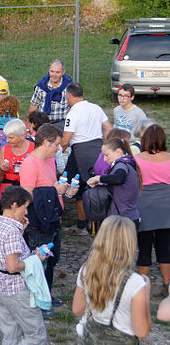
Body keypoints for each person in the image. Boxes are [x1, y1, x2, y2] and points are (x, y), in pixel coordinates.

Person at [73, 216, 151, 342]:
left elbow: (77, 309)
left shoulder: (87, 269)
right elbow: (142, 331)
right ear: (130, 243)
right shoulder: (136, 283)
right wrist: (146, 292)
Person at [19, 123, 70, 318]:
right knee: (39, 263)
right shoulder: (30, 164)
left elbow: (50, 186)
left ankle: (46, 294)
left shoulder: (49, 161)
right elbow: (27, 196)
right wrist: (53, 191)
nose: (59, 148)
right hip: (38, 222)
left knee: (51, 260)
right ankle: (37, 303)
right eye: (57, 144)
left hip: (52, 218)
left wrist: (63, 190)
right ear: (46, 142)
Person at [0, 186, 48, 344]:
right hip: (17, 290)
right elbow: (13, 266)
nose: (26, 212)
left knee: (10, 334)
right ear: (14, 205)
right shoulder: (12, 231)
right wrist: (36, 259)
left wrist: (21, 231)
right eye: (25, 207)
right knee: (36, 335)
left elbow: (5, 249)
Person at [62, 82, 113, 235]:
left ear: (69, 96)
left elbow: (66, 140)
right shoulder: (96, 108)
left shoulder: (73, 113)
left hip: (80, 152)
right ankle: (97, 222)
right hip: (98, 151)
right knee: (97, 185)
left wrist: (59, 152)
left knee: (78, 188)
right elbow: (109, 128)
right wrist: (103, 144)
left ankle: (81, 225)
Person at [133, 124, 170, 297]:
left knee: (144, 247)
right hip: (166, 208)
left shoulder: (137, 159)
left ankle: (141, 285)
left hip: (143, 207)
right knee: (165, 247)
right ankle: (166, 284)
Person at [86, 137, 141, 223]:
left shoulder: (121, 166)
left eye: (106, 155)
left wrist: (98, 178)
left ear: (118, 151)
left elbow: (119, 179)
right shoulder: (127, 163)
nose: (104, 159)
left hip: (123, 220)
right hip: (128, 216)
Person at [0, 119, 34, 213]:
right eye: (7, 137)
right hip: (8, 192)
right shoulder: (5, 150)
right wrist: (1, 170)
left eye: (11, 138)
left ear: (22, 136)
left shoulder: (34, 148)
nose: (7, 140)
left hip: (27, 191)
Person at [28, 59, 72, 129]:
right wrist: (30, 125)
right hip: (44, 123)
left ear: (63, 72)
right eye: (52, 71)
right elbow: (33, 106)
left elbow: (76, 107)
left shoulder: (69, 87)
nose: (54, 75)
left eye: (57, 72)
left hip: (63, 123)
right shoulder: (41, 86)